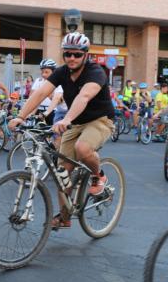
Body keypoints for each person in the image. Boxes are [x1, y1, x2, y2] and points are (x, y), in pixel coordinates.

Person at [9, 32, 114, 229]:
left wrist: (66, 119)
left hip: (100, 120)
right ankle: (65, 218)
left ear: (85, 55)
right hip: (75, 122)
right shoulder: (62, 72)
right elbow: (41, 93)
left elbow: (83, 97)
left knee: (83, 148)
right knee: (61, 173)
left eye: (76, 54)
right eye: (68, 54)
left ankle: (98, 176)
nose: (71, 58)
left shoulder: (95, 72)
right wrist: (20, 116)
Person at [30, 59, 58, 124]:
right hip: (39, 110)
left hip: (52, 110)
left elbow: (55, 99)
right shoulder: (38, 81)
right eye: (42, 72)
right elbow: (32, 97)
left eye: (46, 72)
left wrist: (46, 87)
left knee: (52, 132)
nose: (43, 74)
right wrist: (30, 113)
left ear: (53, 72)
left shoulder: (58, 82)